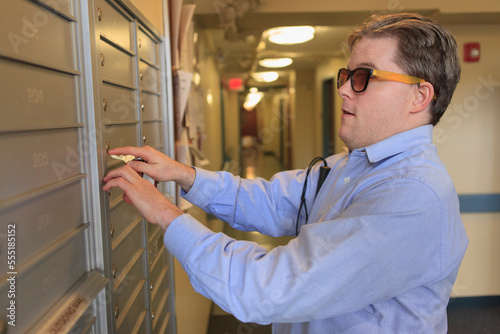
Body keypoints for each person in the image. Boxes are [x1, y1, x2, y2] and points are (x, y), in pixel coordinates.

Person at [103, 13, 468, 333]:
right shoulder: (349, 165)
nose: (343, 89)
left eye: (363, 76)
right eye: (346, 75)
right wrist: (184, 175)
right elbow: (270, 200)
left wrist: (167, 215)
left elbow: (270, 287)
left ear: (419, 96)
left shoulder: (413, 196)